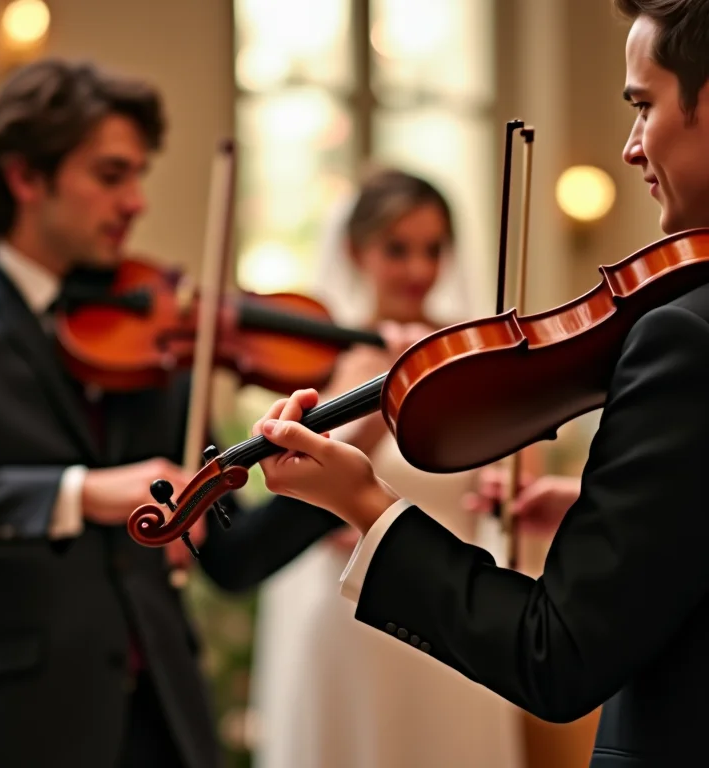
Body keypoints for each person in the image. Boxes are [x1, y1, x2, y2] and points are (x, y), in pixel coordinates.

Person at [248, 1, 709, 764]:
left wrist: (365, 501)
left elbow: (556, 657)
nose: (631, 147)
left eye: (643, 105)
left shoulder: (683, 335)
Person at [0, 58, 407, 768]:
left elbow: (236, 556)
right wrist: (78, 493)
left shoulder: (157, 335)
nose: (136, 202)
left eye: (139, 176)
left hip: (166, 721)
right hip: (18, 725)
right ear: (25, 177)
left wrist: (359, 424)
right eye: (110, 175)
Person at [250, 170, 524, 768]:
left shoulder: (472, 354)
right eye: (397, 250)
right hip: (350, 611)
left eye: (433, 249)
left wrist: (505, 489)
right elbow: (298, 496)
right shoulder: (327, 361)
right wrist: (372, 388)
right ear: (356, 252)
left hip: (454, 602)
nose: (419, 270)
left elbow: (495, 482)